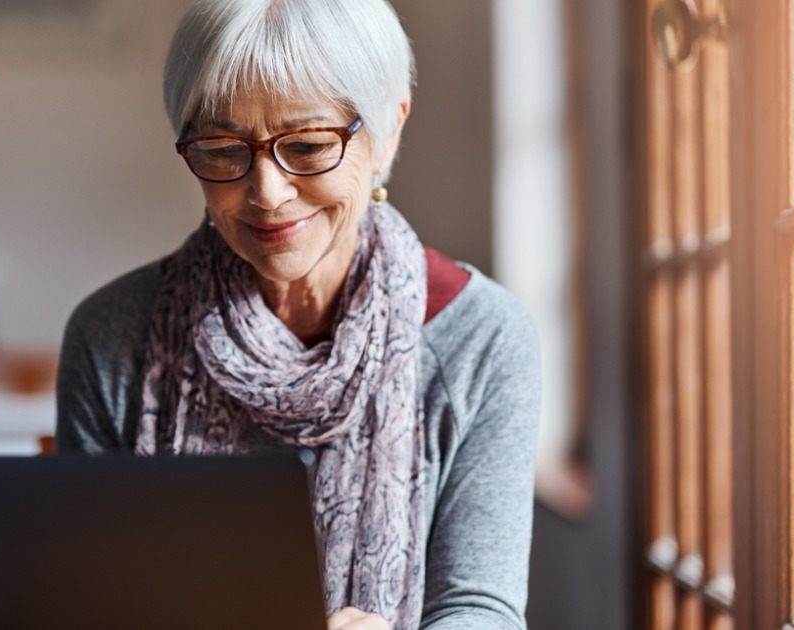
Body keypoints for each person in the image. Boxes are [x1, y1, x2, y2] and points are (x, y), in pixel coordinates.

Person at [55, 0, 540, 628]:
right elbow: (81, 596)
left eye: (308, 146)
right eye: (224, 149)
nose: (266, 193)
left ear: (389, 132)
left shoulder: (481, 338)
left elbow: (482, 608)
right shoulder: (111, 336)